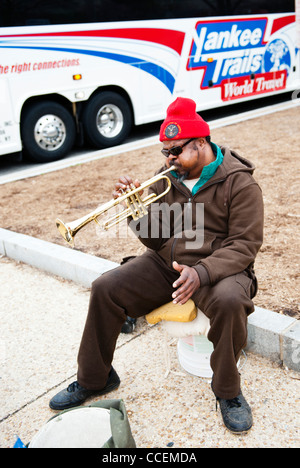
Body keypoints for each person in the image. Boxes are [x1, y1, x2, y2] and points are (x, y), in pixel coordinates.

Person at [49, 97, 264, 435]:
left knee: (230, 301)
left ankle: (228, 391)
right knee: (106, 288)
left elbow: (245, 244)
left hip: (218, 268)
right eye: (165, 152)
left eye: (176, 151)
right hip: (168, 263)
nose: (169, 159)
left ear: (201, 142)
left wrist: (203, 272)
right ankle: (95, 378)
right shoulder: (169, 178)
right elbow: (156, 240)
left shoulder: (239, 182)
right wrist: (136, 212)